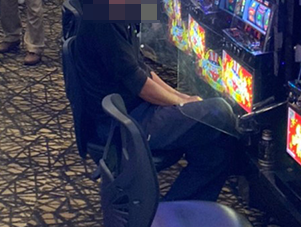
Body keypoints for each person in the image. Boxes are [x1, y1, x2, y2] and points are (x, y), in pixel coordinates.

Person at [68, 20, 237, 202]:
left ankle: (180, 206)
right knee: (220, 112)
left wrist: (181, 98)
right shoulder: (104, 20)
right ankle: (179, 206)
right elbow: (139, 84)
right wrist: (181, 103)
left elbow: (141, 69)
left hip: (132, 110)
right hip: (122, 124)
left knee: (215, 142)